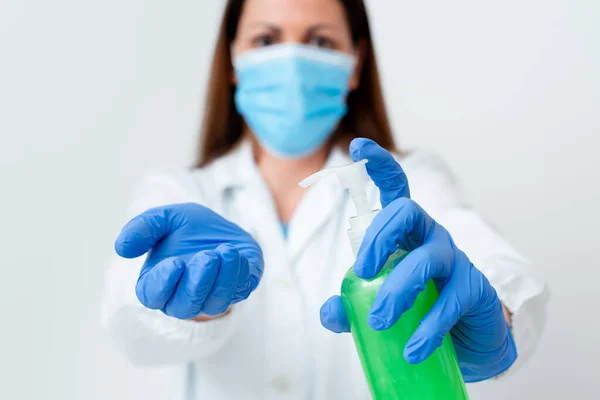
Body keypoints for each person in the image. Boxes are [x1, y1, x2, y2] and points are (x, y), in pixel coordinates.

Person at [102, 0, 547, 398]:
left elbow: (490, 260)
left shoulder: (408, 179)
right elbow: (131, 330)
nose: (292, 62)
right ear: (233, 59)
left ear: (355, 64)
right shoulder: (180, 191)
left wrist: (495, 316)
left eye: (320, 41)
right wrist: (196, 300)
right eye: (265, 39)